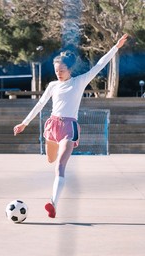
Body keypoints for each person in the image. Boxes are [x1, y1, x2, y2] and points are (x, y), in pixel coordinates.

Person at [13, 34, 129, 218]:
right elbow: (40, 104)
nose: (59, 73)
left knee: (60, 165)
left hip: (69, 127)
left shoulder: (79, 81)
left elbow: (100, 65)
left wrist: (115, 47)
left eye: (62, 70)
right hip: (52, 126)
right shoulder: (52, 85)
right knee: (51, 159)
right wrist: (24, 123)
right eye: (56, 70)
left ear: (69, 69)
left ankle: (53, 204)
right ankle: (54, 162)